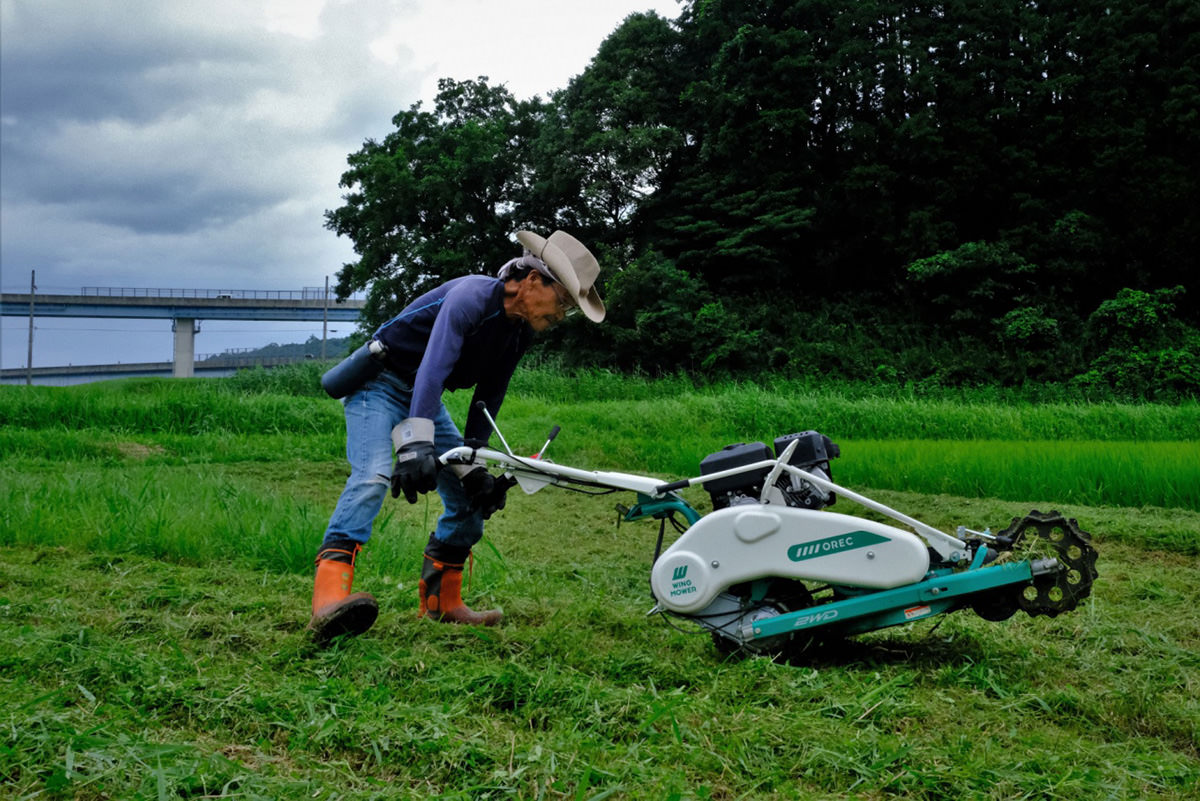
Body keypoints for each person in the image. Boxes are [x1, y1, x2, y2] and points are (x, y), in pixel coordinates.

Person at [308, 230, 606, 643]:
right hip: (379, 385)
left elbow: (490, 394)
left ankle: (441, 605)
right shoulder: (471, 297)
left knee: (472, 496)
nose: (562, 316)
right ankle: (327, 604)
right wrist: (415, 445)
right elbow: (434, 365)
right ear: (535, 281)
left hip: (424, 396)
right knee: (372, 477)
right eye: (564, 302)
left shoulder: (519, 331)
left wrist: (476, 460)